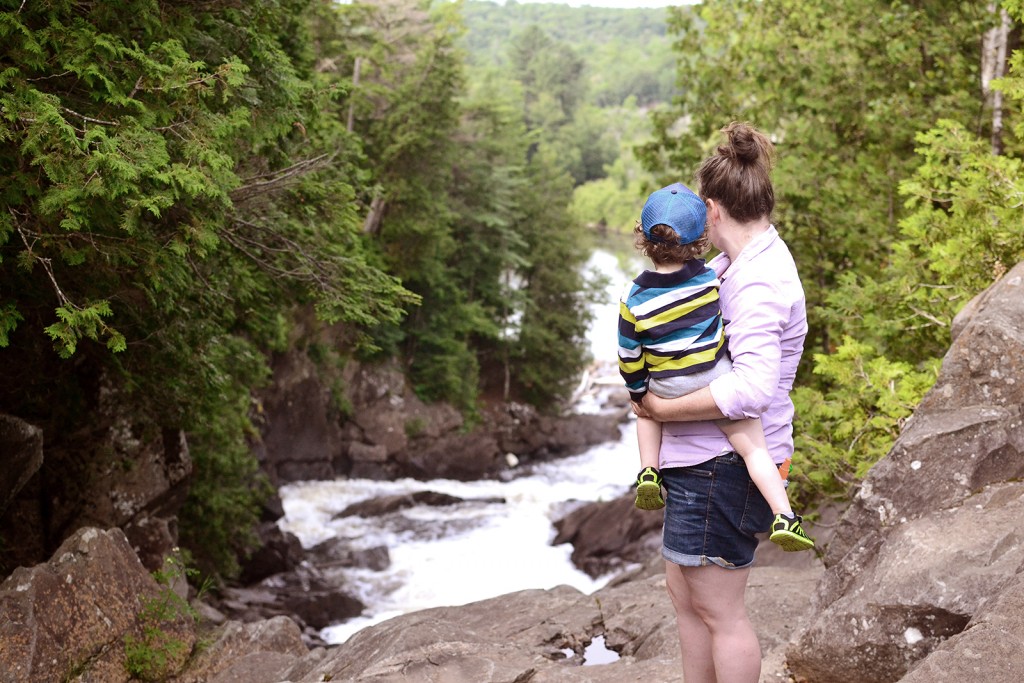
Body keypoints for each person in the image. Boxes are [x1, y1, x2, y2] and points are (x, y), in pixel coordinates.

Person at [631, 122, 811, 683]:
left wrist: (657, 410)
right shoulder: (731, 265)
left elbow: (751, 389)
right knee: (687, 599)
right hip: (702, 462)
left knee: (720, 611)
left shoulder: (757, 281)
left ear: (710, 209)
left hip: (723, 469)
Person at [618, 181, 812, 553]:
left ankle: (648, 471)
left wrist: (638, 388)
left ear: (642, 236)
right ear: (700, 240)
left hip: (667, 386)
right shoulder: (711, 279)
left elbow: (629, 350)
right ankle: (784, 515)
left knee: (646, 415)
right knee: (755, 450)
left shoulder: (632, 297)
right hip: (712, 377)